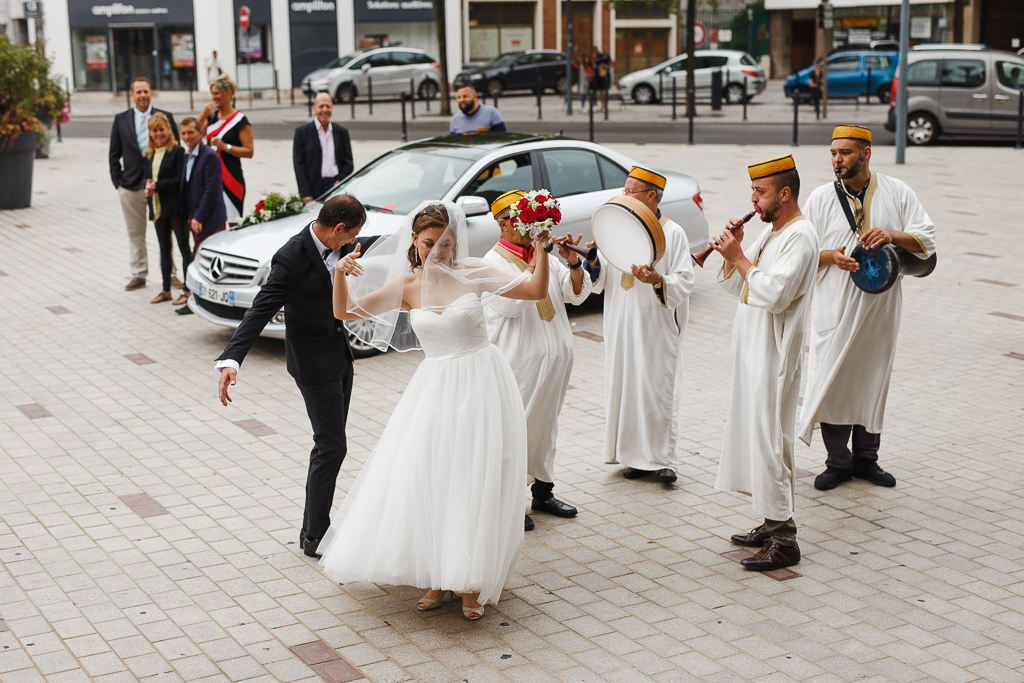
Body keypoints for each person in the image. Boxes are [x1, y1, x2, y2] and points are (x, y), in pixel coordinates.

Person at [317, 201, 551, 620]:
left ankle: (471, 582)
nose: (438, 252)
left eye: (446, 244)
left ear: (456, 242)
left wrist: (543, 251)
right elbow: (344, 312)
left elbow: (535, 291)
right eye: (430, 244)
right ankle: (438, 576)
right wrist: (338, 273)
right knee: (434, 475)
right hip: (436, 388)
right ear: (415, 241)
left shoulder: (474, 272)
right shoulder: (408, 286)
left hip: (482, 381)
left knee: (474, 476)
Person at [215, 196, 366, 558]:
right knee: (331, 445)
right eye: (352, 235)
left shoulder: (344, 244)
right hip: (313, 365)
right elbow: (261, 308)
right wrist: (231, 359)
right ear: (337, 228)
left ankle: (311, 529)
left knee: (331, 444)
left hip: (340, 357)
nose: (354, 243)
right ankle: (316, 535)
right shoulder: (291, 257)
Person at [798, 125, 936, 492]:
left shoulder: (897, 191)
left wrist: (891, 234)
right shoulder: (819, 199)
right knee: (833, 380)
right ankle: (837, 463)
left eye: (844, 153)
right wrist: (832, 257)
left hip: (881, 308)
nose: (837, 160)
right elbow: (801, 252)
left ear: (866, 153)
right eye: (833, 153)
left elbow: (927, 239)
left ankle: (866, 460)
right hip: (834, 306)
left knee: (873, 377)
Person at [711, 155, 819, 572]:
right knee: (757, 437)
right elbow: (737, 284)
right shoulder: (773, 232)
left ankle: (785, 540)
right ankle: (770, 520)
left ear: (785, 193)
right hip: (754, 350)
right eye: (753, 192)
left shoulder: (801, 236)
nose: (753, 200)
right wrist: (730, 253)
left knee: (771, 441)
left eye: (761, 192)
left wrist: (738, 254)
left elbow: (773, 294)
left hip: (774, 356)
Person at [482, 190, 591, 532]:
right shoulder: (490, 263)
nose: (529, 228)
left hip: (557, 359)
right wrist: (537, 260)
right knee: (516, 429)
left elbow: (576, 293)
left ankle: (543, 492)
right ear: (503, 224)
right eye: (521, 221)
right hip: (518, 363)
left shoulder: (546, 256)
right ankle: (509, 501)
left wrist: (572, 261)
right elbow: (510, 306)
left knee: (546, 427)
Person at [585, 167, 695, 483]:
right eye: (624, 189)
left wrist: (658, 279)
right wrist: (588, 258)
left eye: (631, 191)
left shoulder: (672, 233)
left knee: (655, 387)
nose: (624, 196)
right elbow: (602, 272)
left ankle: (661, 460)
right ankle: (634, 457)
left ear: (651, 196)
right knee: (627, 385)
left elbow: (685, 281)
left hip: (655, 325)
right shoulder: (619, 226)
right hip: (621, 319)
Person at [108, 76, 179, 291]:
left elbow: (175, 149)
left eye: (146, 91)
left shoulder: (165, 117)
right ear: (132, 95)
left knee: (166, 232)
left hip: (160, 187)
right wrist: (118, 182)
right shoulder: (120, 120)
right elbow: (114, 154)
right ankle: (139, 274)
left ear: (151, 93)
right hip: (130, 186)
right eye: (138, 92)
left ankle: (172, 274)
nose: (142, 95)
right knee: (135, 233)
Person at [177, 117, 227, 315]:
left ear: (200, 133)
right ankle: (194, 296)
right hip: (194, 216)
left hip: (209, 218)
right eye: (184, 133)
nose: (187, 137)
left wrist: (199, 216)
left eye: (191, 132)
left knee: (202, 258)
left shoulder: (209, 156)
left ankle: (194, 298)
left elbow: (212, 190)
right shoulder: (186, 156)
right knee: (197, 256)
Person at [143, 113, 190, 306]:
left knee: (184, 248)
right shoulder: (150, 153)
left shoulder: (177, 151)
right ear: (150, 133)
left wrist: (157, 185)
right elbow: (149, 176)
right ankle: (166, 289)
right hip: (158, 208)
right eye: (155, 130)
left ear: (168, 130)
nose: (158, 133)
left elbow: (179, 179)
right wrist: (147, 184)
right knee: (164, 249)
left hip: (175, 208)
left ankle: (188, 289)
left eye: (161, 129)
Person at [199, 76, 253, 225]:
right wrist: (203, 115)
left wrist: (225, 147)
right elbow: (194, 135)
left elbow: (249, 151)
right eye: (212, 93)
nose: (213, 97)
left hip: (231, 178)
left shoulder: (240, 120)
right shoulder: (211, 117)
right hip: (210, 176)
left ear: (228, 94)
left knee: (233, 222)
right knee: (215, 223)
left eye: (217, 93)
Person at [293, 93, 354, 203]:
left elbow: (348, 162)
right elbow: (299, 165)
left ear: (332, 108)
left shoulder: (341, 132)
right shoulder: (302, 132)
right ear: (314, 108)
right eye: (321, 106)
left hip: (336, 187)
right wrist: (305, 192)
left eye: (328, 106)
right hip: (313, 189)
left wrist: (339, 181)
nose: (324, 110)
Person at [592, 46, 613, 113]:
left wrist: (607, 67)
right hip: (598, 76)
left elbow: (611, 64)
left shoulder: (605, 56)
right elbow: (593, 65)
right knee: (600, 91)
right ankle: (602, 105)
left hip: (605, 75)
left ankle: (605, 105)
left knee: (605, 91)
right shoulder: (596, 57)